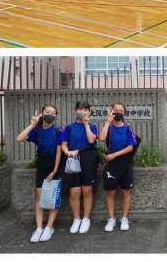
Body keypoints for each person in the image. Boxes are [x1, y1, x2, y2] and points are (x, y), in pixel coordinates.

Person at [16, 105, 62, 242]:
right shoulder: (37, 130)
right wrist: (32, 125)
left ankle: (49, 227)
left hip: (55, 164)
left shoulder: (58, 131)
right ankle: (39, 228)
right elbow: (19, 138)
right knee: (40, 196)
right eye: (47, 112)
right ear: (42, 113)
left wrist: (55, 170)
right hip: (41, 162)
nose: (49, 114)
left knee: (53, 197)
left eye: (52, 113)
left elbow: (59, 152)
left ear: (56, 116)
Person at [60, 100, 98, 234]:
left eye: (86, 109)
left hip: (88, 158)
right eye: (80, 109)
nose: (83, 111)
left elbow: (91, 140)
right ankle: (76, 219)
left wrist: (86, 124)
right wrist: (68, 152)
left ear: (89, 111)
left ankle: (86, 219)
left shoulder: (93, 126)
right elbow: (63, 144)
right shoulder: (69, 127)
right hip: (73, 158)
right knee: (74, 191)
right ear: (75, 110)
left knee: (87, 190)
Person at [99, 103, 138, 232]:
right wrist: (107, 122)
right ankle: (111, 219)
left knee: (126, 191)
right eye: (115, 110)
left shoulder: (128, 129)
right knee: (110, 192)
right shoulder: (109, 127)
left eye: (121, 111)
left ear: (124, 113)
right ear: (111, 111)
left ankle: (124, 218)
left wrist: (114, 155)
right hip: (111, 165)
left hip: (125, 163)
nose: (118, 113)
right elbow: (101, 138)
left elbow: (130, 147)